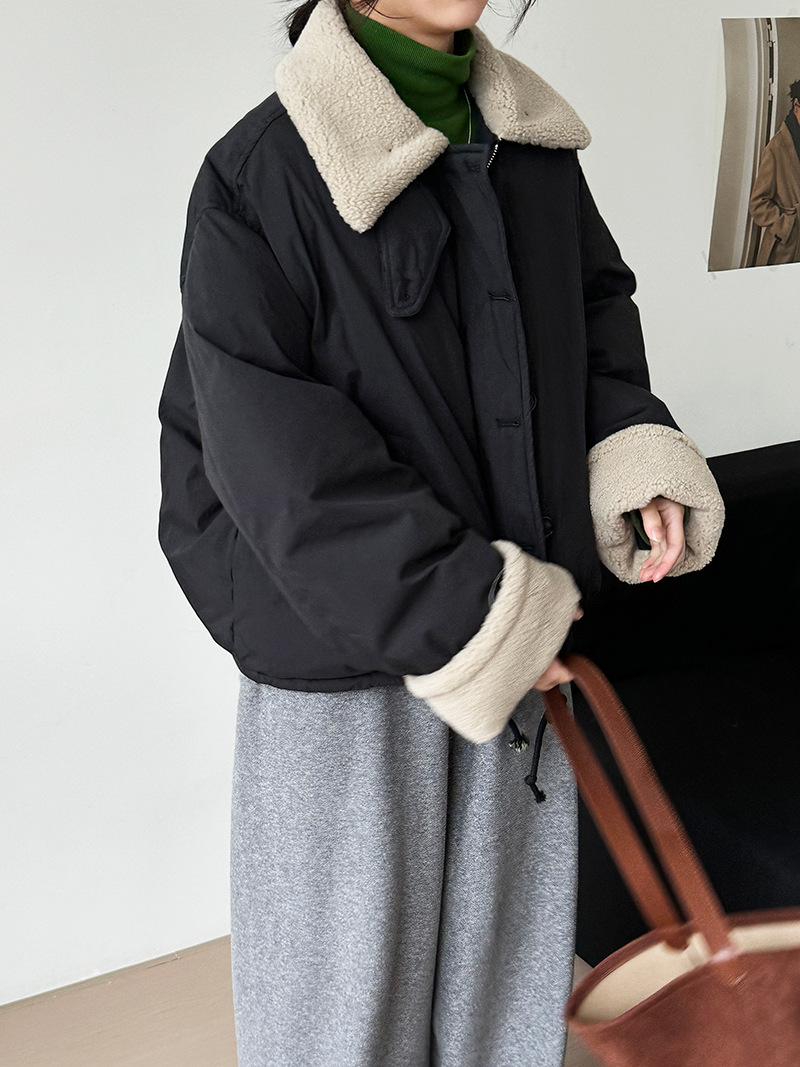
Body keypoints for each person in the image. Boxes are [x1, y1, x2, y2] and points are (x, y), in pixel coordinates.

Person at [157, 0, 725, 1062]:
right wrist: (480, 616)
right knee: (339, 1014)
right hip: (346, 657)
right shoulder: (260, 174)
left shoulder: (534, 152)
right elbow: (280, 465)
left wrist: (629, 453)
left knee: (504, 991)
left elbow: (594, 327)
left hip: (517, 629)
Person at [749, 78, 800, 267]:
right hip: (785, 248)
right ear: (796, 104)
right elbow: (758, 204)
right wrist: (786, 226)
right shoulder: (777, 148)